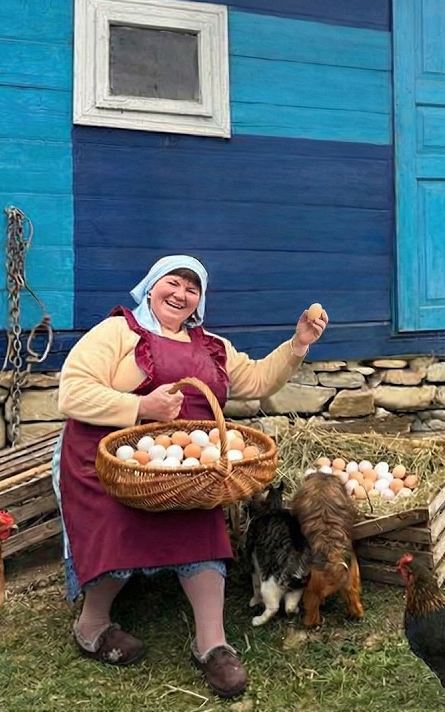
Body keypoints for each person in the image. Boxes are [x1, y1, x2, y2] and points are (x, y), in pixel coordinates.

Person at [53, 255, 327, 699]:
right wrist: (140, 407)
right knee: (116, 526)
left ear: (200, 300)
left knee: (201, 526)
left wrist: (298, 344)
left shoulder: (211, 344)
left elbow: (255, 380)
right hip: (108, 463)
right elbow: (72, 391)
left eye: (192, 288)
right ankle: (92, 625)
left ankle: (212, 644)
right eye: (173, 283)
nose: (181, 294)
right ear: (150, 285)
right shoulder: (116, 332)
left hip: (185, 472)